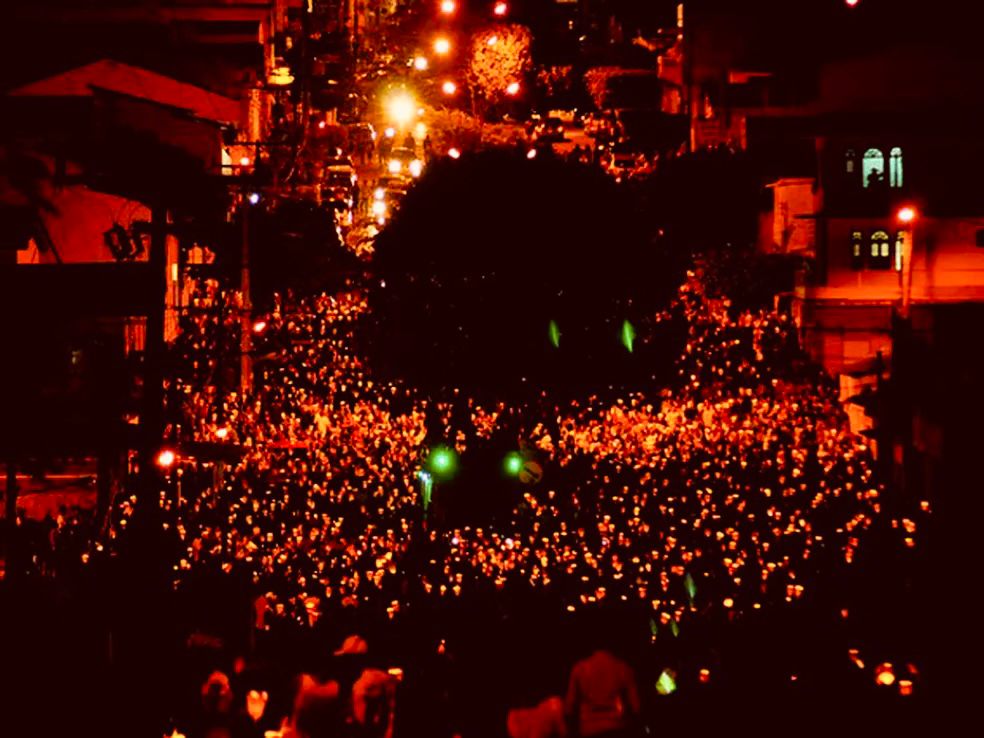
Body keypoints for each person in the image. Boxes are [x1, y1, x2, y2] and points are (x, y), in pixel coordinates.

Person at [565, 649, 640, 738]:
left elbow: (569, 708)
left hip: (589, 728)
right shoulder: (622, 667)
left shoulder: (580, 668)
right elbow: (636, 707)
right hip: (616, 726)